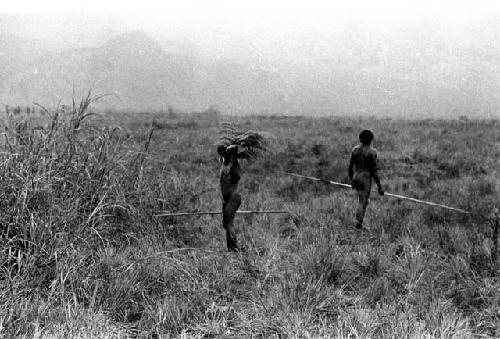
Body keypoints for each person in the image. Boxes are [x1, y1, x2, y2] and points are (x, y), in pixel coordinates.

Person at [348, 130, 384, 229]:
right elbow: (374, 172)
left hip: (356, 176)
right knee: (362, 202)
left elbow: (350, 167)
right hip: (365, 178)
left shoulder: (354, 150)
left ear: (360, 139)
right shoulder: (373, 152)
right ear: (371, 140)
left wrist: (352, 180)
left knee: (364, 200)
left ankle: (359, 222)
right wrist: (380, 187)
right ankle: (359, 225)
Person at [217, 144, 242, 251]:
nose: (224, 156)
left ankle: (234, 248)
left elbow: (236, 177)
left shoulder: (234, 165)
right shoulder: (224, 165)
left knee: (229, 222)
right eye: (223, 155)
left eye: (226, 155)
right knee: (225, 224)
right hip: (226, 199)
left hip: (234, 198)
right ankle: (231, 247)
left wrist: (233, 156)